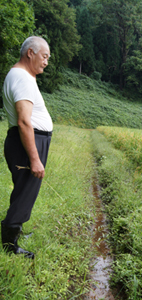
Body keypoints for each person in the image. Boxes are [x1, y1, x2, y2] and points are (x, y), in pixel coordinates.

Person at [2, 36, 53, 259]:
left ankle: (15, 230)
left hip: (26, 142)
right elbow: (24, 121)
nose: (46, 62)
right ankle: (8, 245)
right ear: (30, 53)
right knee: (25, 193)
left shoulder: (23, 76)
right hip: (26, 144)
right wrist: (34, 158)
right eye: (44, 56)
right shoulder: (22, 77)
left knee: (24, 190)